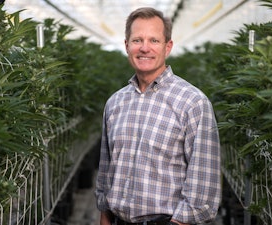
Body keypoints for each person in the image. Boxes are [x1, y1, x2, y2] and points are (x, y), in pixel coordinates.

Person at [95, 7, 221, 225]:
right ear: (126, 45)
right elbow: (106, 172)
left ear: (167, 46)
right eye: (137, 40)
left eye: (154, 40)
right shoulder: (115, 103)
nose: (145, 48)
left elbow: (203, 188)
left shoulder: (192, 103)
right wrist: (105, 217)